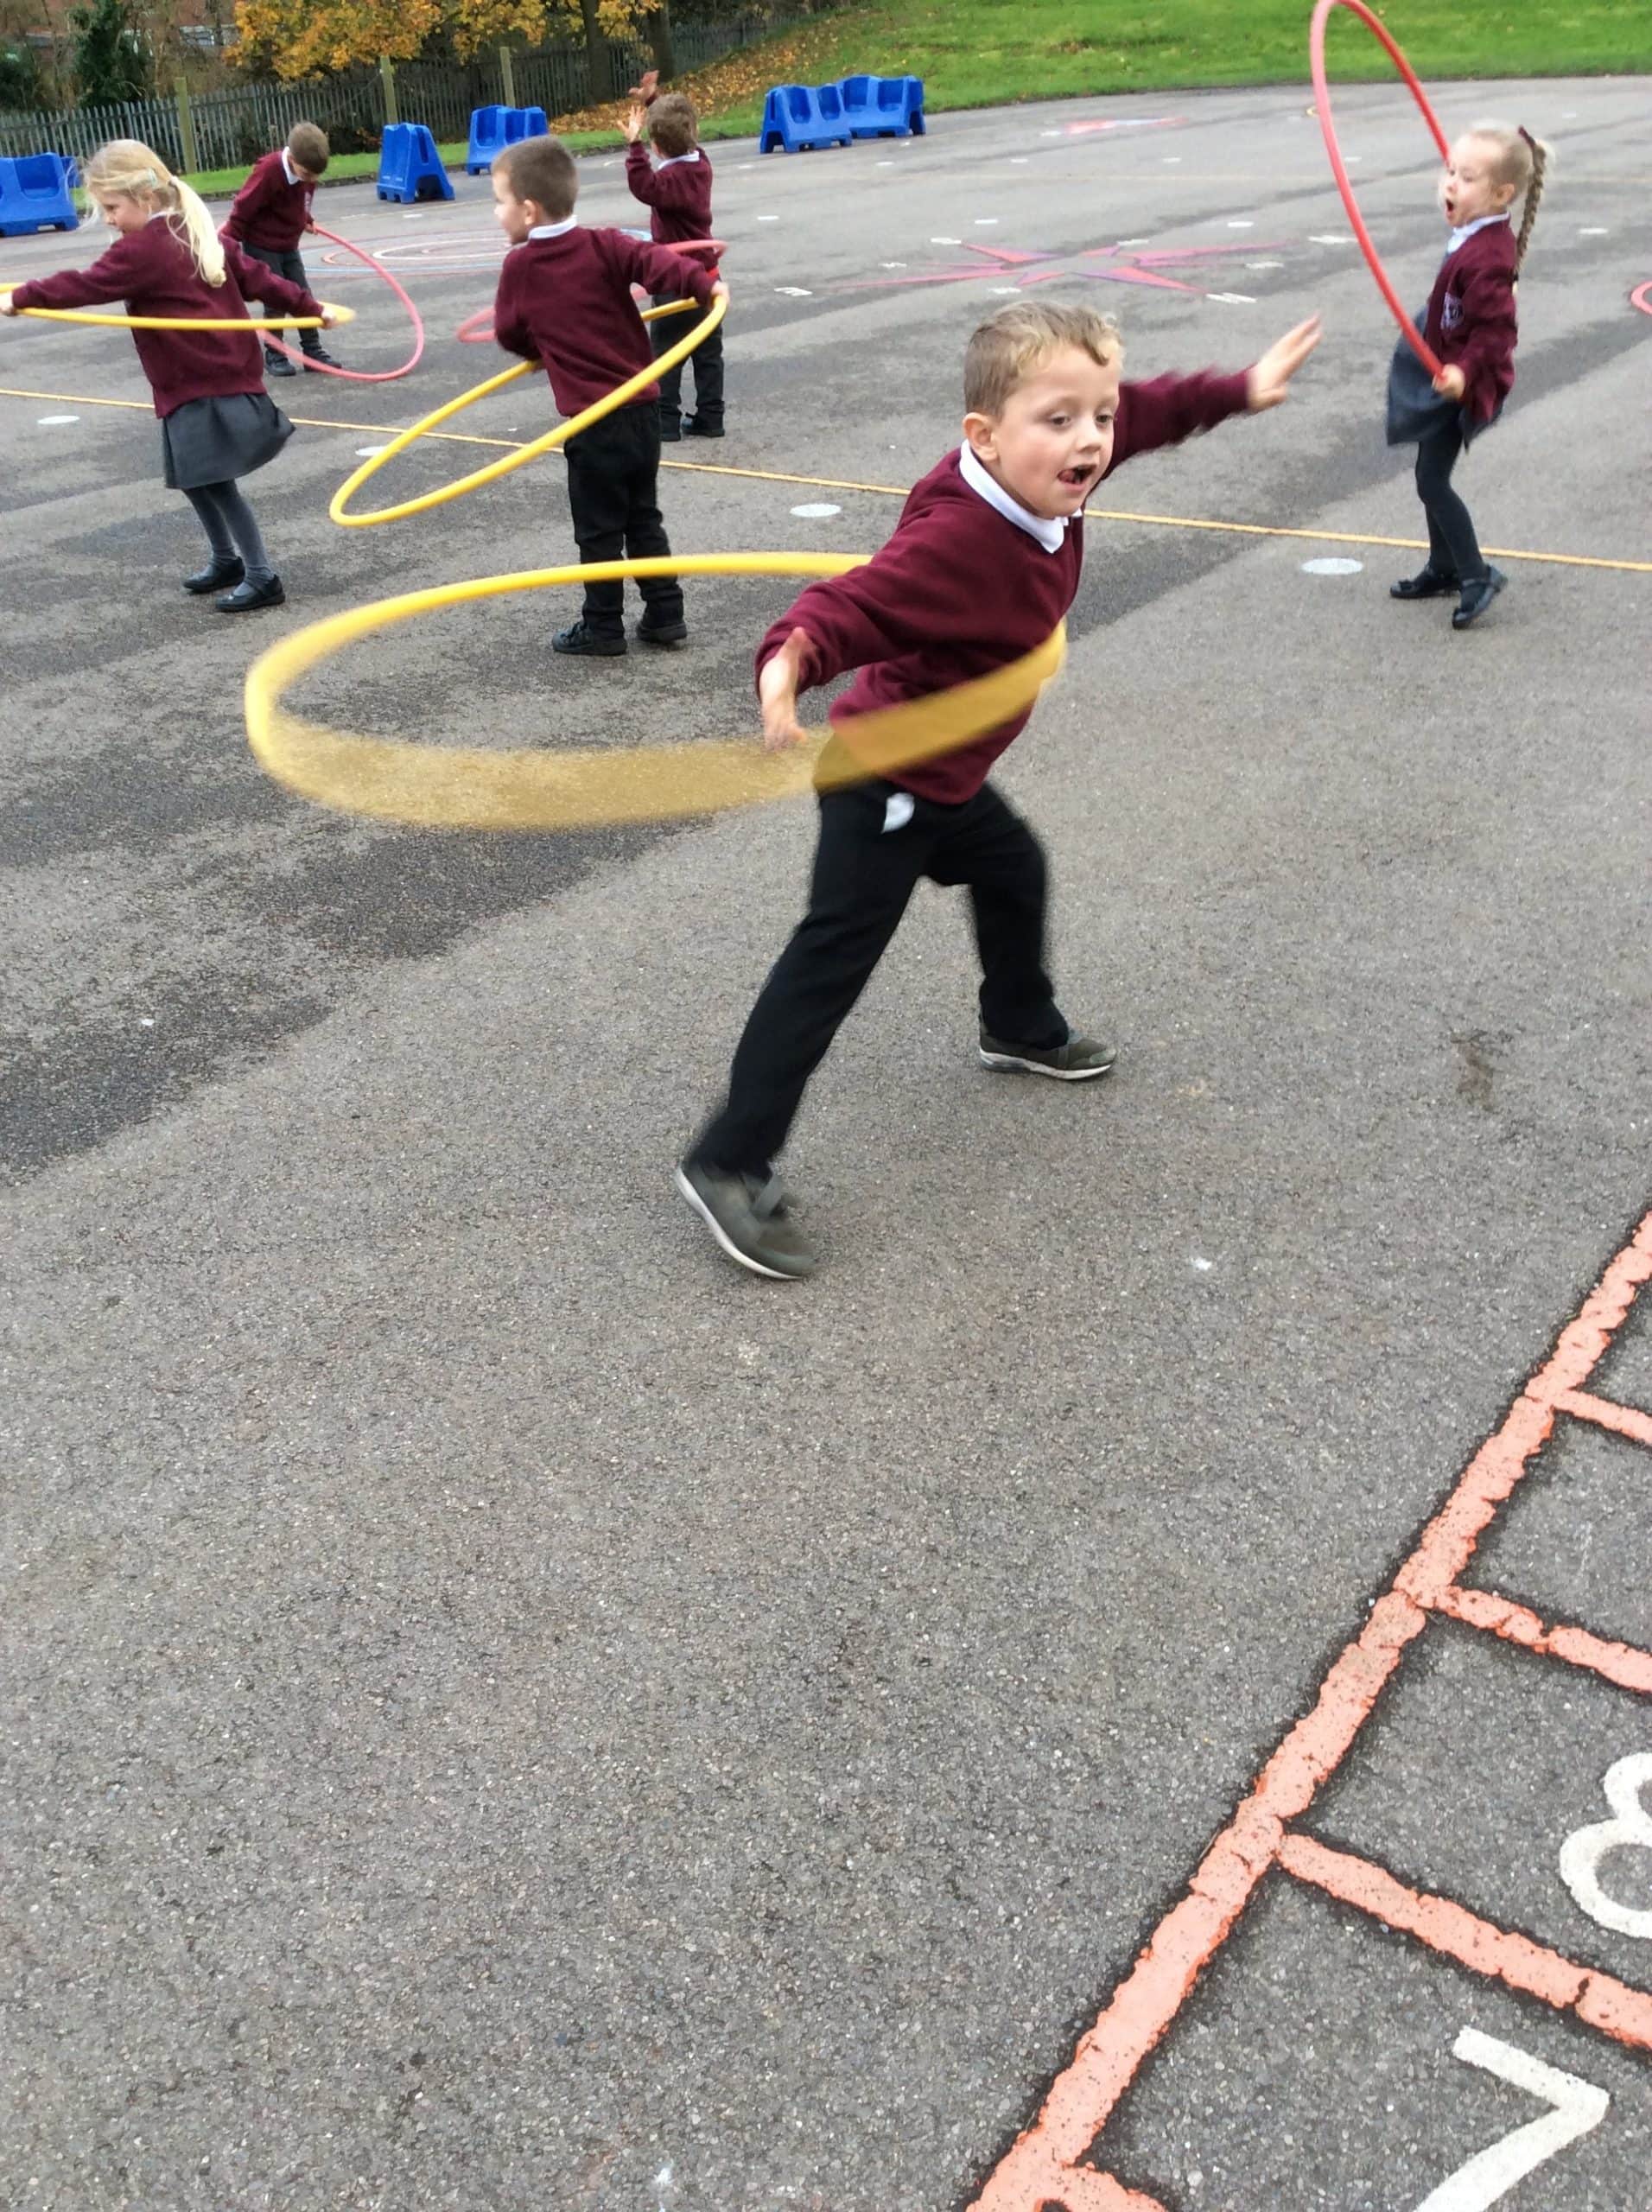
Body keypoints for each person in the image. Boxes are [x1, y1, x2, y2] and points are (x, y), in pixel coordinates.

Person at [677, 299, 1321, 1279]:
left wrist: (1239, 389)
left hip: (950, 772)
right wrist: (789, 659)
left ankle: (1017, 1024)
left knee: (1016, 869)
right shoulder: (963, 541)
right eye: (1061, 419)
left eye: (1096, 415)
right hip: (888, 779)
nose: (1092, 439)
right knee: (829, 965)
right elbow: (855, 603)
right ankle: (727, 1161)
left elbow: (1148, 410)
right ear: (984, 435)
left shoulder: (1050, 471)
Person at [3, 138, 335, 612]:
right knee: (194, 477)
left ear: (144, 197)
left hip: (203, 381)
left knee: (215, 481)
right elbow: (261, 277)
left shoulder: (145, 250)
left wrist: (22, 297)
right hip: (198, 378)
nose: (110, 219)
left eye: (112, 208)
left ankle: (263, 575)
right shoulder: (192, 230)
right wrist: (309, 306)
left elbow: (84, 285)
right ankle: (226, 559)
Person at [489, 132, 727, 657]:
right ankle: (666, 614)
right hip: (642, 413)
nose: (496, 213)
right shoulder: (606, 243)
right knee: (643, 517)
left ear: (528, 211)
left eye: (499, 202)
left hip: (594, 423)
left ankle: (602, 626)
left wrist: (540, 349)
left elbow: (508, 331)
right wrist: (705, 284)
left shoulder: (520, 268)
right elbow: (659, 263)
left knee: (597, 530)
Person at [1387, 120, 1551, 631]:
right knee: (1427, 475)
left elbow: (1496, 333)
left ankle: (1476, 575)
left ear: (1501, 194)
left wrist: (1461, 370)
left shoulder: (1488, 257)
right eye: (1449, 171)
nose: (1451, 184)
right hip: (1447, 369)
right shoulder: (1478, 232)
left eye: (1467, 177)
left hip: (1466, 382)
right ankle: (1444, 566)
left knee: (1432, 480)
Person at [623, 91, 723, 442]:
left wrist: (634, 145)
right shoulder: (702, 166)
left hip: (675, 281)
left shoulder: (666, 182)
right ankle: (711, 416)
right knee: (708, 354)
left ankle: (666, 420)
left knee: (666, 353)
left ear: (657, 147)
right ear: (694, 133)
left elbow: (643, 185)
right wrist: (655, 102)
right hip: (709, 278)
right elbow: (679, 129)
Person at [221, 120, 341, 378]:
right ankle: (275, 353)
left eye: (316, 176)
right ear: (292, 158)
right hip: (262, 244)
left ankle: (312, 352)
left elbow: (302, 201)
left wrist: (305, 219)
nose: (311, 180)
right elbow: (243, 208)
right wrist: (226, 244)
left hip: (289, 243)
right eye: (307, 174)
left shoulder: (307, 173)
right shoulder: (269, 171)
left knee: (303, 295)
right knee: (275, 298)